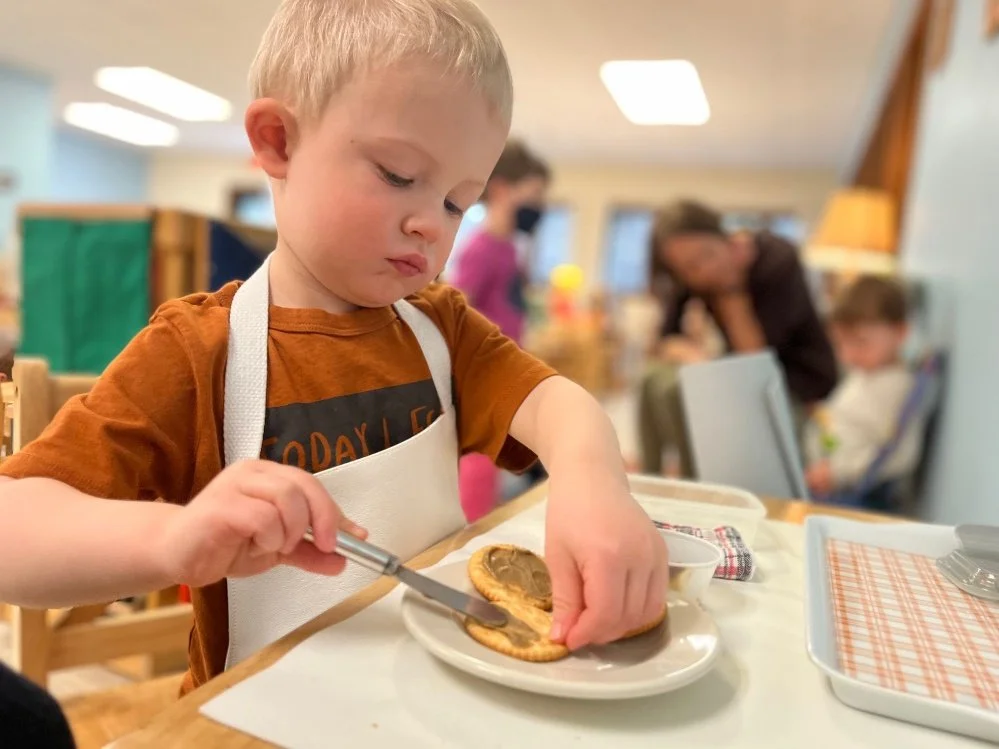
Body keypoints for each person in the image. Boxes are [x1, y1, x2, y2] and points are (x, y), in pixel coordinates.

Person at [0, 0, 666, 696]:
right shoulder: (198, 354)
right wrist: (172, 536)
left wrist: (593, 481)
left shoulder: (442, 328)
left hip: (434, 701)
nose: (428, 224)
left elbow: (558, 403)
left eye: (456, 202)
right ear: (278, 142)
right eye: (400, 175)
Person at [639, 199, 838, 477]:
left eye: (705, 256)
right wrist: (697, 359)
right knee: (653, 378)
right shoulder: (692, 272)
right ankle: (651, 478)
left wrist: (732, 289)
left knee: (679, 390)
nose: (700, 272)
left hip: (794, 385)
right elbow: (666, 339)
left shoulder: (777, 259)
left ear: (727, 238)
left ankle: (699, 479)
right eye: (686, 269)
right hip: (738, 373)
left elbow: (757, 361)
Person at [451, 140, 550, 521]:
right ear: (503, 190)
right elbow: (459, 305)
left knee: (496, 454)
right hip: (482, 368)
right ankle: (468, 529)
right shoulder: (482, 247)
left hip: (505, 363)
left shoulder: (510, 247)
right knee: (480, 456)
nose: (539, 206)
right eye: (535, 194)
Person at [804, 276, 923, 509]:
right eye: (840, 344)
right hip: (822, 462)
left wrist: (838, 472)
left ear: (900, 333)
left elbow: (899, 456)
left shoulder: (896, 387)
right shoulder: (867, 371)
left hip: (845, 491)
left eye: (860, 342)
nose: (848, 356)